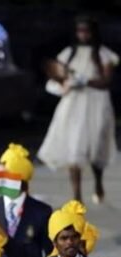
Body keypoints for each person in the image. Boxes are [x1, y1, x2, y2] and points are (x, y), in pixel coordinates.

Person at [38, 16, 117, 203]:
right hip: (74, 105)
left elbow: (106, 81)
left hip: (97, 104)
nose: (83, 34)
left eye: (86, 31)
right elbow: (58, 75)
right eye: (80, 31)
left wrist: (86, 81)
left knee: (96, 147)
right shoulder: (68, 54)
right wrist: (66, 84)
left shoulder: (103, 54)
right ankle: (77, 195)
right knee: (75, 148)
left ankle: (98, 182)